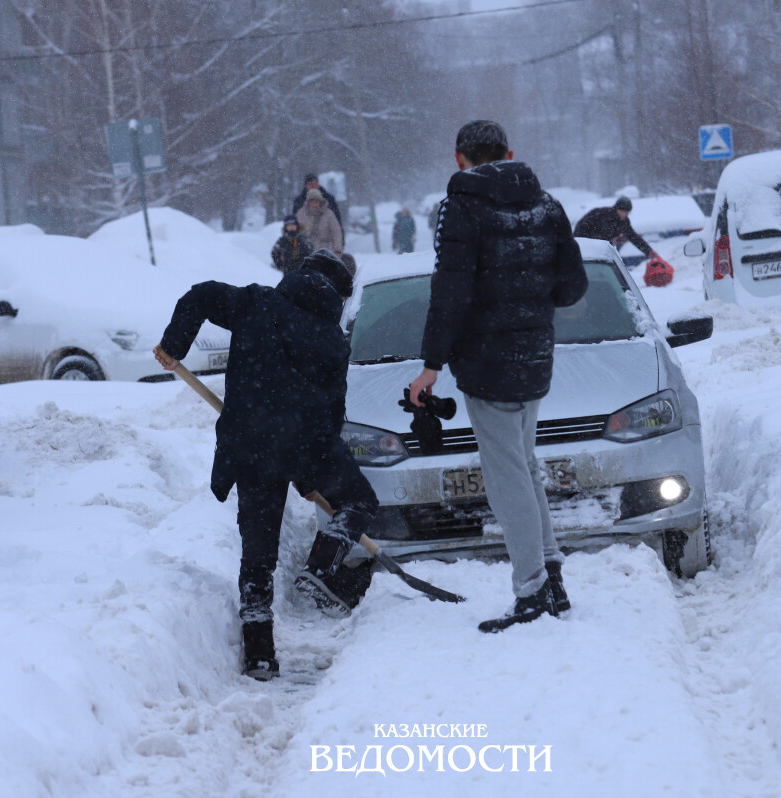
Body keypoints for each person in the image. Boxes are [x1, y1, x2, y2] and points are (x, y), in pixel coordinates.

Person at [153, 249, 378, 680]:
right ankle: (321, 566)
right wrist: (317, 475)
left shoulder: (255, 302)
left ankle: (259, 655)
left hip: (252, 444)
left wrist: (173, 345)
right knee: (359, 501)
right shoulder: (334, 339)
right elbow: (333, 412)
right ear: (341, 295)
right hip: (305, 444)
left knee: (258, 555)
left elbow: (200, 296)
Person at [407, 120, 588, 633]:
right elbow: (572, 286)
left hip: (487, 362)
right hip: (535, 356)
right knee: (525, 466)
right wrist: (530, 301)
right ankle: (551, 577)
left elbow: (451, 292)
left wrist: (430, 366)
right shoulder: (547, 205)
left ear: (460, 158)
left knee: (507, 475)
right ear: (508, 153)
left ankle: (531, 589)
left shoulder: (461, 208)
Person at [574, 197, 674, 287]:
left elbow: (633, 236)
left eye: (628, 212)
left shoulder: (624, 221)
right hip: (585, 244)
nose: (626, 214)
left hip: (600, 248)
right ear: (617, 209)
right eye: (624, 211)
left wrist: (648, 251)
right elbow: (598, 235)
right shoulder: (604, 216)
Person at [295, 188, 344, 255]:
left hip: (326, 250)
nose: (314, 205)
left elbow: (336, 232)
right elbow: (295, 232)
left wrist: (337, 250)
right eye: (312, 202)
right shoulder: (300, 214)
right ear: (308, 202)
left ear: (321, 202)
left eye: (316, 202)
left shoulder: (329, 214)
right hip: (305, 251)